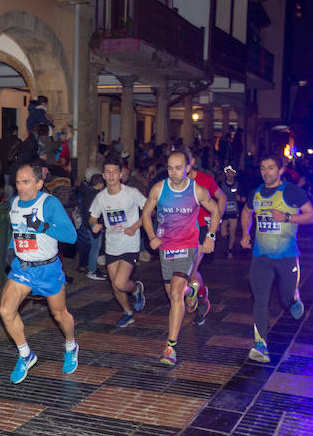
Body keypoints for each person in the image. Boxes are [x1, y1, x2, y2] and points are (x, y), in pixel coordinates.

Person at [0, 163, 78, 383]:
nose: (21, 187)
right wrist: (10, 250)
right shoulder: (14, 203)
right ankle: (26, 354)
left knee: (59, 314)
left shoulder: (49, 203)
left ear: (39, 183)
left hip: (48, 269)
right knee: (6, 311)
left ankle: (71, 345)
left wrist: (42, 226)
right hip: (23, 268)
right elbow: (17, 231)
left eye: (26, 182)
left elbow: (71, 236)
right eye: (17, 182)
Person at [141, 149, 221, 366]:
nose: (173, 172)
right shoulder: (159, 188)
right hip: (166, 248)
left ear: (188, 168)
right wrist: (151, 236)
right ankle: (192, 290)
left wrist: (211, 237)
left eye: (178, 168)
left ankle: (170, 347)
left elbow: (215, 210)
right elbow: (146, 214)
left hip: (188, 246)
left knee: (176, 294)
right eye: (169, 167)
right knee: (173, 294)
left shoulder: (197, 190)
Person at [240, 154, 313, 363]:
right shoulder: (255, 193)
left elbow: (312, 215)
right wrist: (246, 234)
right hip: (261, 257)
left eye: (271, 168)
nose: (266, 172)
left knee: (285, 299)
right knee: (260, 300)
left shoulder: (292, 191)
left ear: (281, 170)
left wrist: (287, 217)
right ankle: (260, 345)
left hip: (287, 257)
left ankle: (294, 298)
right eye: (263, 168)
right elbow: (246, 212)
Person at [89, 155, 147, 327]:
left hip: (130, 243)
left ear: (121, 174)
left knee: (120, 282)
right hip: (112, 245)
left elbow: (149, 210)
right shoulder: (101, 197)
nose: (111, 175)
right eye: (108, 172)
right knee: (115, 286)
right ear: (104, 175)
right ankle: (128, 312)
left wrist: (135, 226)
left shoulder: (131, 193)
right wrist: (95, 225)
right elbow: (92, 217)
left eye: (115, 172)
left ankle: (136, 289)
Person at [187, 153, 227, 324]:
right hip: (181, 232)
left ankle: (200, 299)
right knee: (184, 272)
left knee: (190, 269)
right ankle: (201, 295)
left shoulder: (205, 179)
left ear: (191, 163)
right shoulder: (171, 182)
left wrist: (216, 222)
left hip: (202, 230)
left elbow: (222, 197)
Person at [76, 173, 106, 279]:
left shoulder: (87, 193)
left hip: (87, 224)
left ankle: (91, 267)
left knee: (92, 247)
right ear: (100, 184)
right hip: (94, 225)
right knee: (95, 248)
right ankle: (92, 270)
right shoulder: (98, 195)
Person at [219, 166, 244, 258]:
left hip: (234, 211)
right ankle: (227, 239)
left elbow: (243, 198)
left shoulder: (238, 185)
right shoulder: (220, 184)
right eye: (227, 172)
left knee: (232, 231)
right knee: (223, 233)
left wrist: (240, 199)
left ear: (235, 174)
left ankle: (230, 250)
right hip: (224, 211)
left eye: (231, 172)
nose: (229, 174)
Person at [0, 125, 22, 201]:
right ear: (15, 131)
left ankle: (7, 199)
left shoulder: (2, 141)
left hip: (5, 166)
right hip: (14, 166)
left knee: (7, 183)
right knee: (13, 183)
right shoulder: (17, 141)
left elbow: (0, 153)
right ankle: (12, 200)